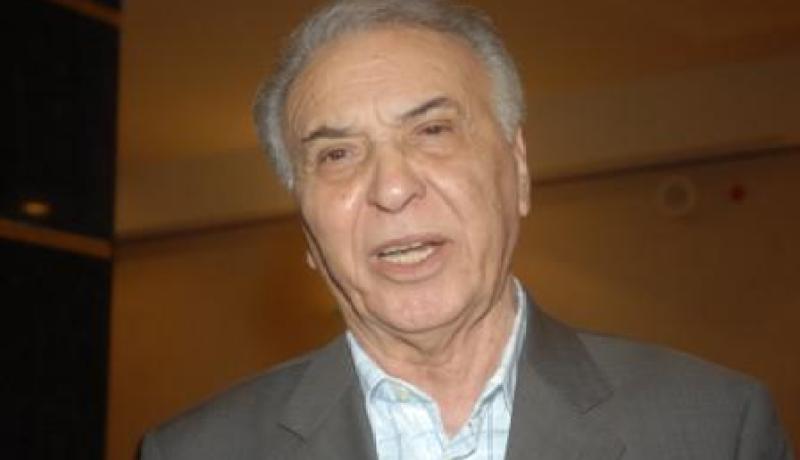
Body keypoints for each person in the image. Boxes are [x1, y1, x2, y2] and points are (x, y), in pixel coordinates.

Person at [140, 1, 793, 458]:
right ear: (307, 227)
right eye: (337, 154)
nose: (392, 188)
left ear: (518, 170)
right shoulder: (193, 452)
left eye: (432, 131)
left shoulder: (716, 429)